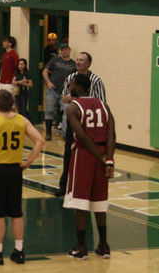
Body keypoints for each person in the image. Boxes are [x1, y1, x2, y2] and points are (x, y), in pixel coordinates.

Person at [0, 90, 45, 265]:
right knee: (16, 212)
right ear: (13, 103)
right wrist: (28, 162)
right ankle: (19, 251)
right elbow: (40, 141)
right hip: (15, 169)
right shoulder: (22, 120)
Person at [63, 74, 115, 259]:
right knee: (100, 202)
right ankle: (104, 245)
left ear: (78, 87)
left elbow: (81, 135)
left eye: (72, 85)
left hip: (84, 155)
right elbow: (112, 134)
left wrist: (100, 158)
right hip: (102, 154)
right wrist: (109, 160)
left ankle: (81, 247)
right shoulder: (104, 106)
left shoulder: (72, 107)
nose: (70, 87)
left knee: (81, 203)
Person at [57, 52, 106, 196]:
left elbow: (101, 102)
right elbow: (64, 98)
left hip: (89, 122)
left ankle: (88, 185)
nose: (78, 62)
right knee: (68, 154)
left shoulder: (96, 80)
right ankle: (64, 185)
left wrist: (75, 98)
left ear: (89, 64)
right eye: (77, 60)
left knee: (87, 154)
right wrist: (72, 98)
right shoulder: (70, 77)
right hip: (73, 120)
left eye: (82, 60)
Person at [42, 43, 76, 140]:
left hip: (65, 92)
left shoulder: (73, 64)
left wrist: (71, 90)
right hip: (53, 90)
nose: (64, 52)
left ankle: (65, 134)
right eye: (62, 50)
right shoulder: (55, 60)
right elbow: (45, 71)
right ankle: (48, 133)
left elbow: (75, 78)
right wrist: (48, 82)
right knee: (49, 110)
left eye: (66, 49)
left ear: (69, 50)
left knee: (67, 111)